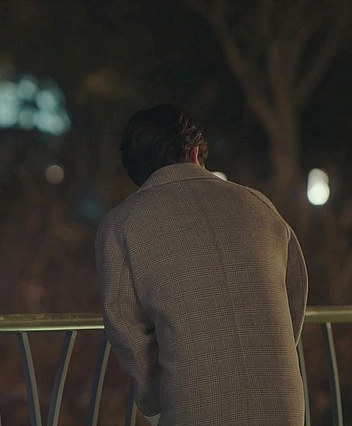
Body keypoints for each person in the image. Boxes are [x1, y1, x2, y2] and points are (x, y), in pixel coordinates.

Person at [95, 104, 308, 425]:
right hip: (283, 402)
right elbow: (294, 298)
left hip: (193, 405)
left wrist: (154, 404)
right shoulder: (258, 206)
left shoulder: (123, 225)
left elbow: (127, 330)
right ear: (196, 152)